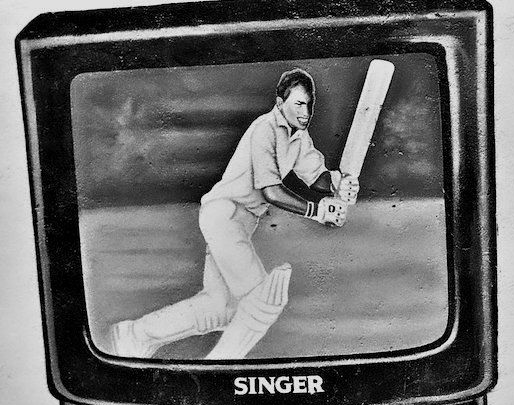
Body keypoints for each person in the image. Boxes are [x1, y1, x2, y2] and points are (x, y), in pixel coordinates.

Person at [108, 68, 359, 360]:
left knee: (220, 308)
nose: (306, 112)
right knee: (261, 302)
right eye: (299, 104)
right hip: (224, 216)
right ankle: (218, 368)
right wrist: (318, 211)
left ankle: (135, 335)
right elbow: (272, 192)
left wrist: (338, 183)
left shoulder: (299, 137)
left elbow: (316, 177)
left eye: (309, 104)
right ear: (281, 103)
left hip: (239, 222)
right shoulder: (264, 129)